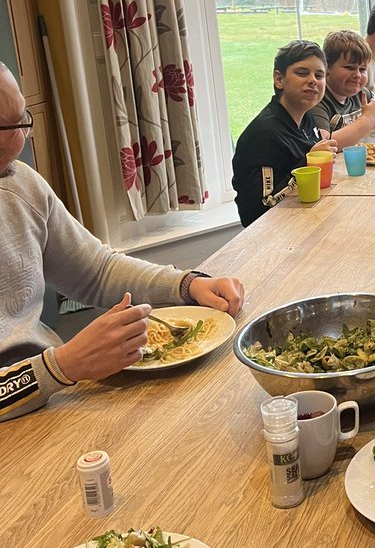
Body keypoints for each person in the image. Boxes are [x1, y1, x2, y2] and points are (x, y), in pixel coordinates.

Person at [0, 61, 244, 421]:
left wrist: (187, 284)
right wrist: (61, 366)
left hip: (56, 400)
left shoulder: (19, 183)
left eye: (25, 118)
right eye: (13, 126)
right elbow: (59, 367)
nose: (23, 141)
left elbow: (95, 271)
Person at [231, 40, 338, 227]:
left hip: (307, 217)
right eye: (302, 73)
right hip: (271, 233)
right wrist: (308, 163)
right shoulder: (264, 135)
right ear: (279, 79)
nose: (313, 80)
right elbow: (265, 204)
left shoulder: (306, 118)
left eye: (319, 75)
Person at [308, 30, 375, 150]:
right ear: (326, 68)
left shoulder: (361, 94)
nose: (357, 75)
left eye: (362, 69)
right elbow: (324, 143)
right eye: (349, 68)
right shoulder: (318, 99)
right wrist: (368, 119)